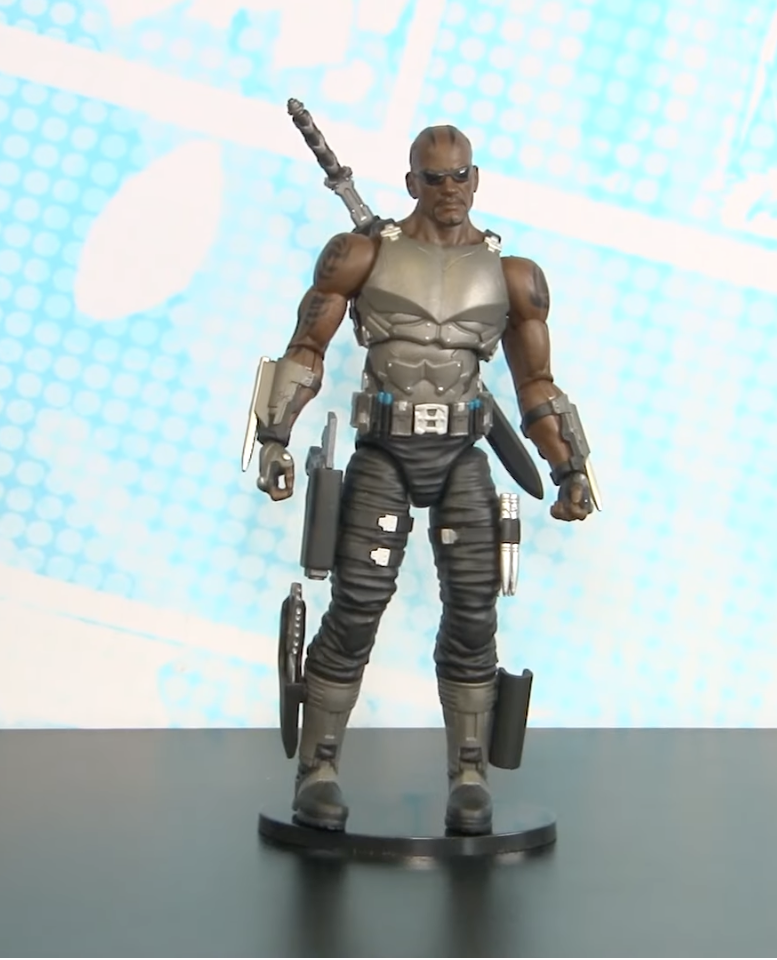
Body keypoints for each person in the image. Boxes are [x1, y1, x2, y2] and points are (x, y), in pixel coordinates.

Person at [252, 124, 596, 835]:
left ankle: (468, 775)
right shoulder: (362, 255)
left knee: (473, 611)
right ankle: (318, 768)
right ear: (412, 183)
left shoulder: (513, 276)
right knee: (357, 607)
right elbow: (306, 348)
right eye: (434, 178)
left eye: (460, 175)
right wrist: (275, 438)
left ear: (477, 178)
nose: (449, 189)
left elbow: (536, 385)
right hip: (385, 451)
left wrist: (570, 467)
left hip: (462, 455)